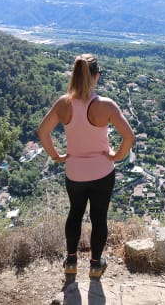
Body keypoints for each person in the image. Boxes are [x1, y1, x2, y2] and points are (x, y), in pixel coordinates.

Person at [37, 53, 135, 280]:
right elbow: (129, 137)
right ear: (96, 77)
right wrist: (115, 156)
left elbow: (43, 132)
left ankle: (71, 262)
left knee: (75, 214)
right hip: (102, 172)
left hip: (74, 172)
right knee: (99, 218)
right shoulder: (106, 105)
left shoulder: (64, 103)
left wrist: (57, 156)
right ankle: (95, 265)